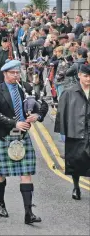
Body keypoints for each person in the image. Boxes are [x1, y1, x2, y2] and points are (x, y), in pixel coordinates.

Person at [0, 59, 42, 224]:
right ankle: (0, 204)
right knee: (0, 174)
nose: (16, 76)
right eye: (12, 73)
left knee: (26, 174)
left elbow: (41, 105)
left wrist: (37, 115)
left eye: (17, 73)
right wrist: (14, 122)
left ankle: (28, 213)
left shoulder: (25, 88)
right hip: (3, 135)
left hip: (22, 136)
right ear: (5, 74)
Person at [55, 64, 90, 200]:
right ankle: (76, 187)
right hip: (75, 130)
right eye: (86, 76)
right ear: (79, 75)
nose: (88, 79)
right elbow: (61, 112)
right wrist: (63, 131)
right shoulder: (69, 92)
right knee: (75, 160)